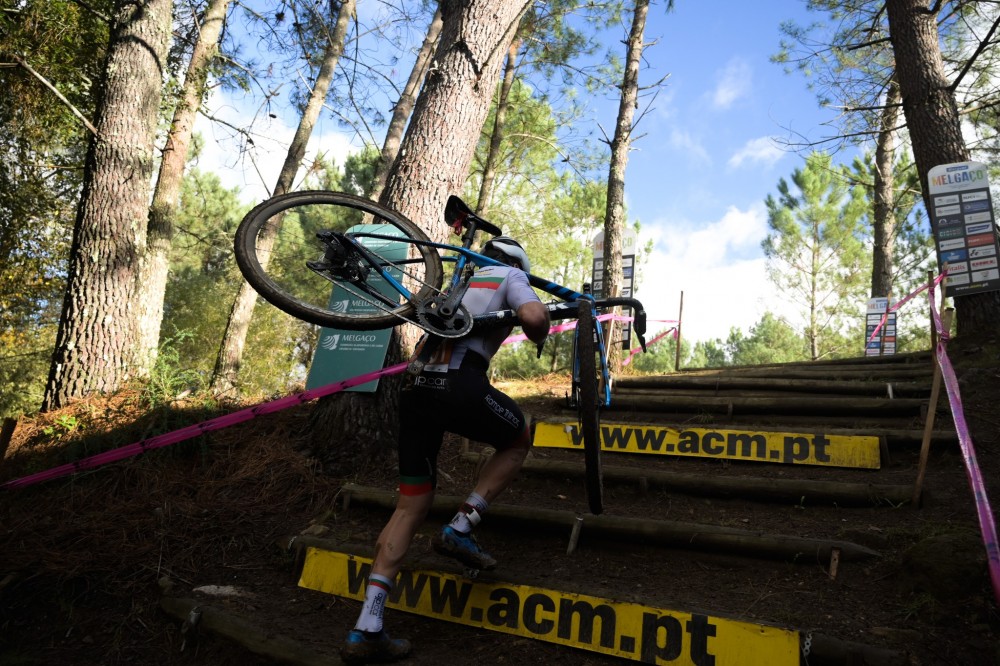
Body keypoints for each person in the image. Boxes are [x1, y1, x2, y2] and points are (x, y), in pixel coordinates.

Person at [342, 235, 551, 664]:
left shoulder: (456, 282)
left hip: (416, 389)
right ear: (518, 265)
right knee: (519, 438)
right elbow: (533, 317)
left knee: (408, 507)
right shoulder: (510, 275)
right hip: (459, 384)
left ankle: (367, 628)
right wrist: (540, 324)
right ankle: (462, 524)